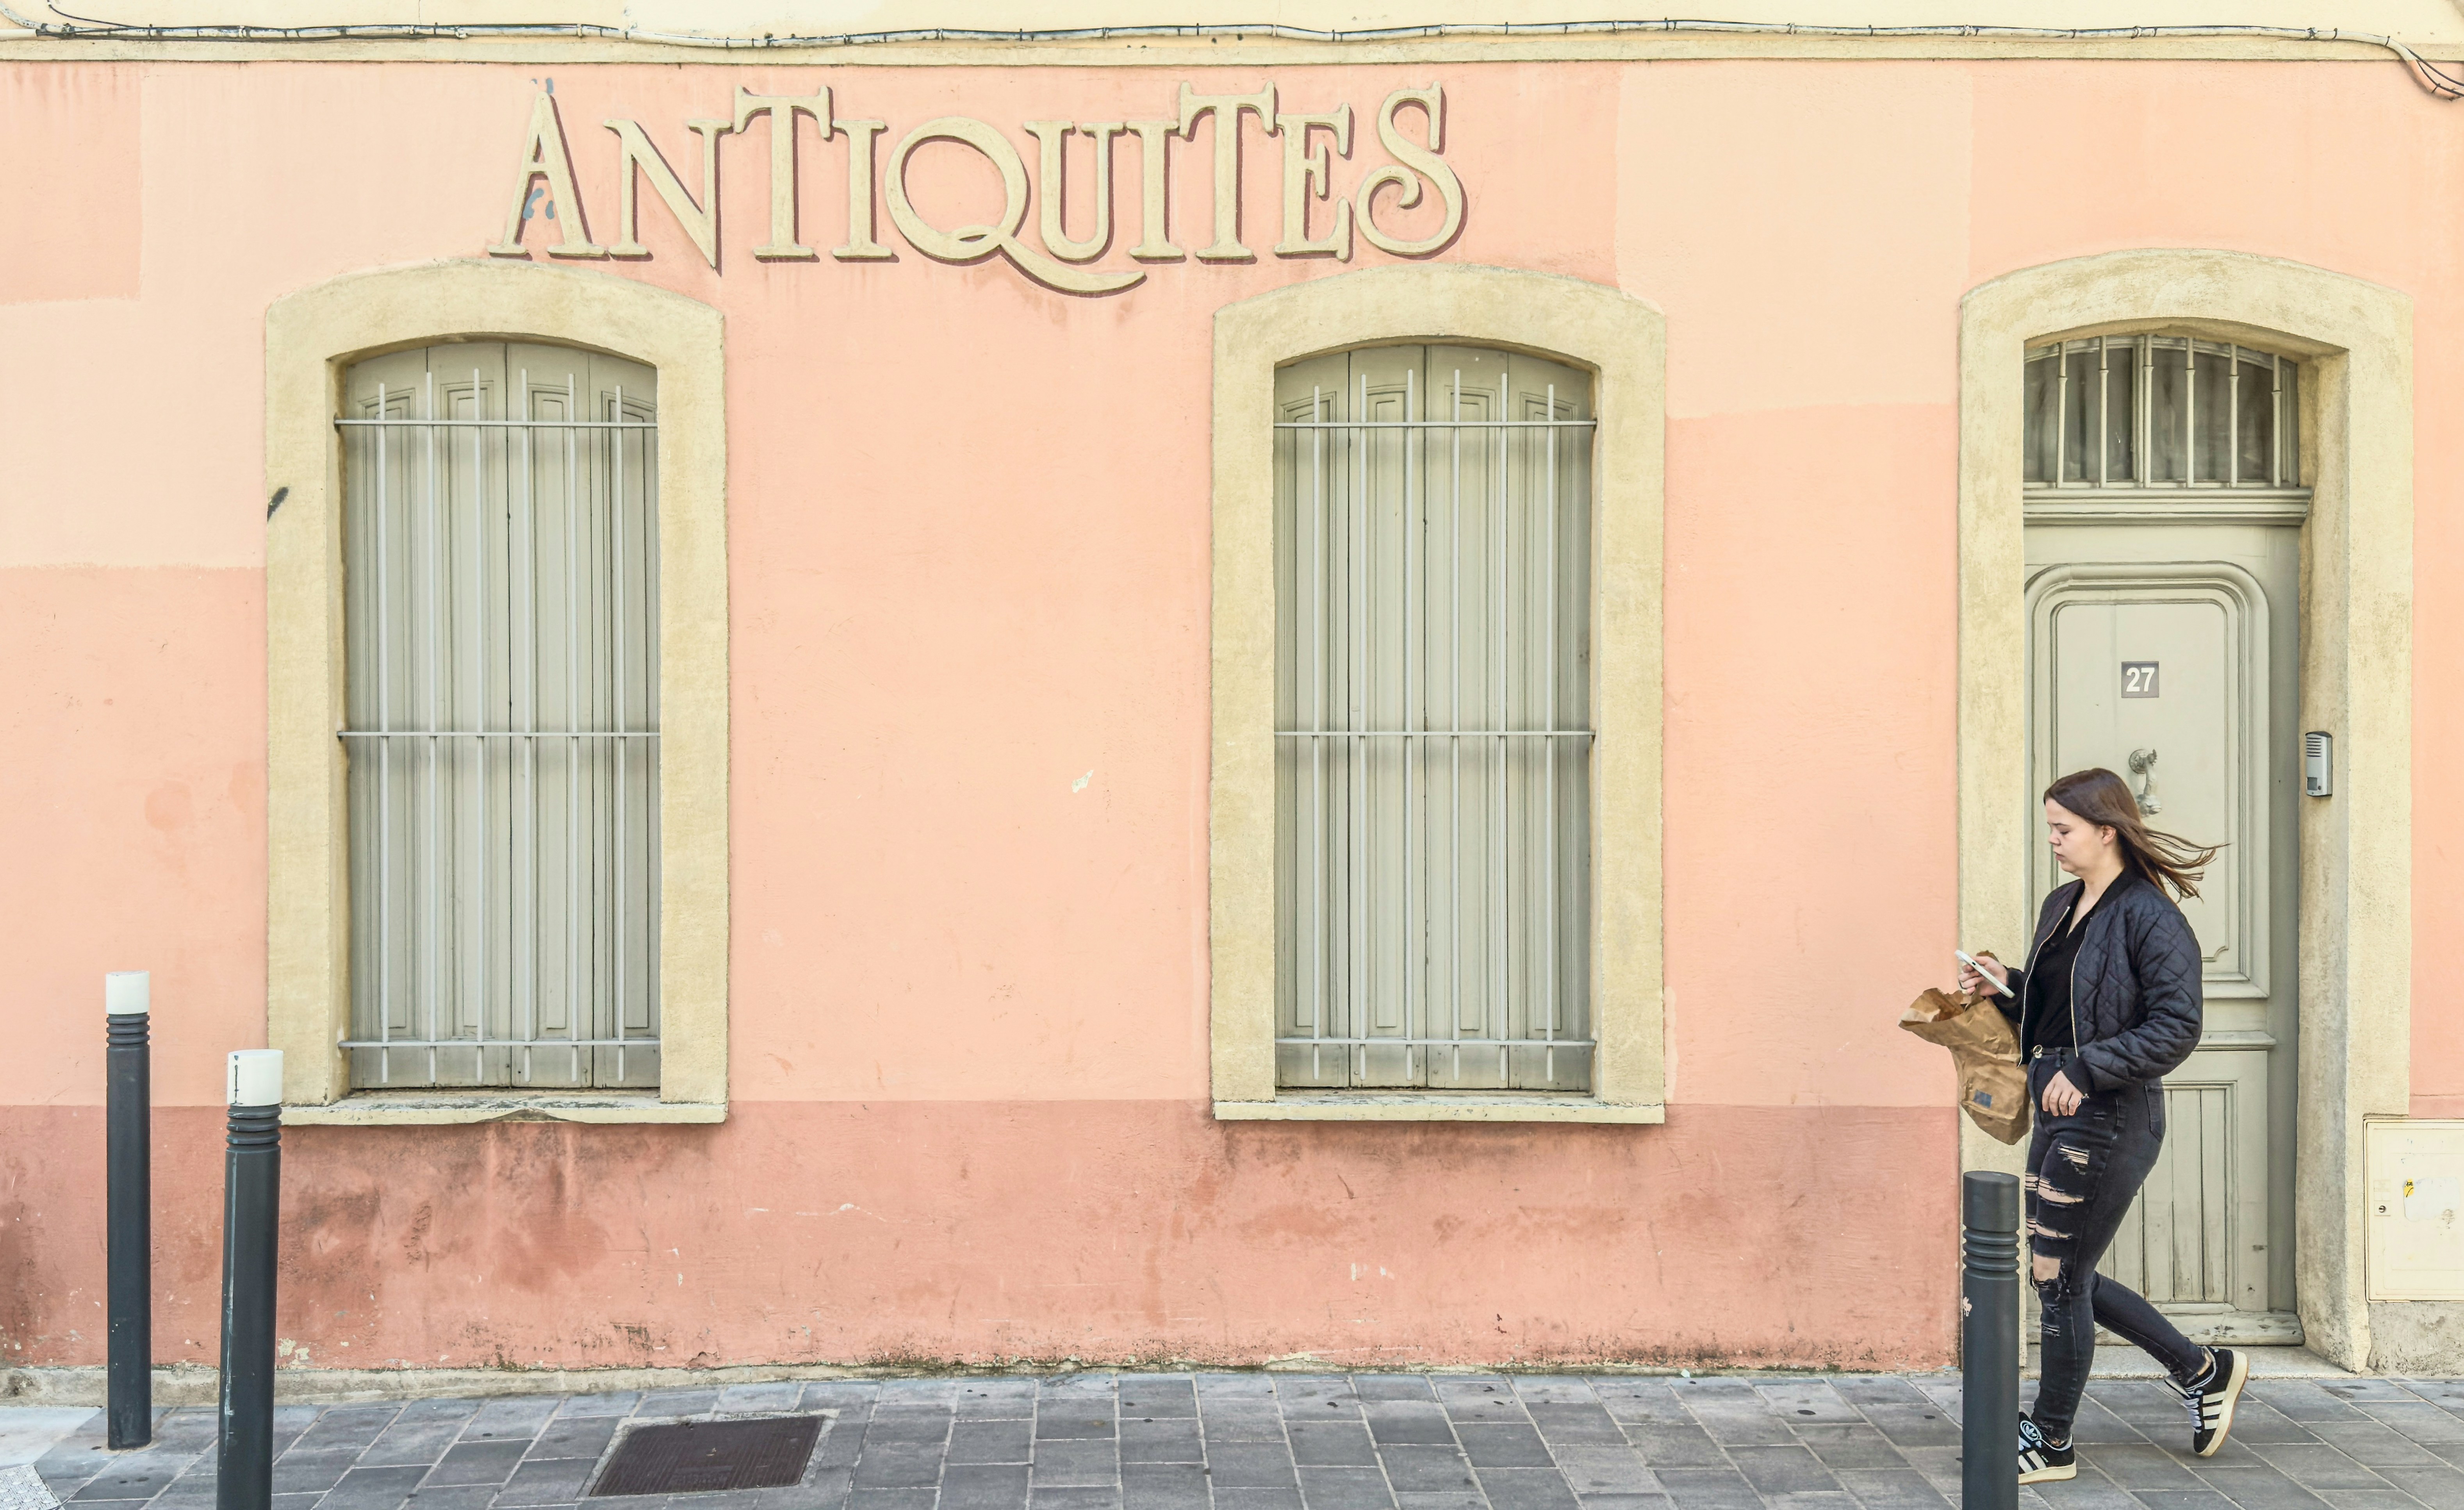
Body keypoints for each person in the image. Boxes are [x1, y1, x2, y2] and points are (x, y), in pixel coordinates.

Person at [1958, 767, 2243, 1483]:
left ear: (2106, 831)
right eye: (2050, 827)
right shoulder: (2062, 904)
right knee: (2058, 1269)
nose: (2052, 840)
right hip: (2055, 1103)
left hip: (2111, 1114)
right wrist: (2005, 985)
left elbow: (2176, 1027)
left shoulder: (2149, 915)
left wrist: (2086, 1071)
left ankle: (2051, 1438)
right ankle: (2201, 1370)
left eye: (2064, 829)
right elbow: (2056, 1010)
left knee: (2058, 1274)